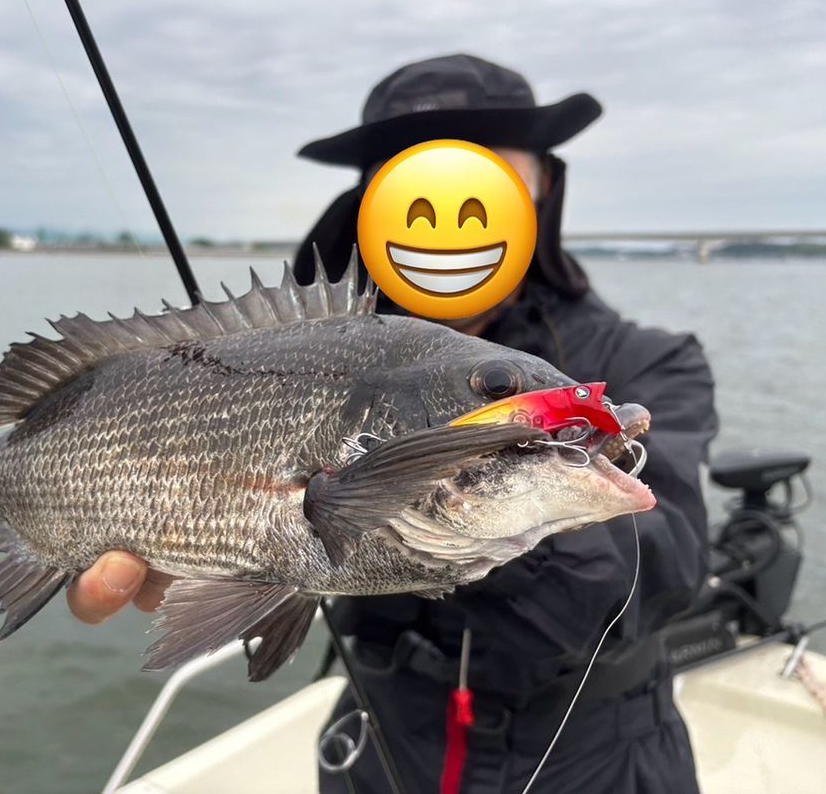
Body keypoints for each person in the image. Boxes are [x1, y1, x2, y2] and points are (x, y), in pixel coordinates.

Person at [68, 54, 717, 794]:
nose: (447, 187)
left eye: (482, 159)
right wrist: (208, 544)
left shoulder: (649, 360)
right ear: (368, 203)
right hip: (380, 740)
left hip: (601, 756)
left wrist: (464, 491)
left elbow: (668, 570)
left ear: (544, 186)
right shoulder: (295, 359)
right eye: (411, 165)